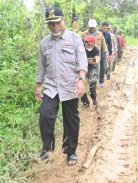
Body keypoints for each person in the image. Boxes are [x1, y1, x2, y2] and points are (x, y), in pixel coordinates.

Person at [35, 7, 88, 166]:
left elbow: (82, 61)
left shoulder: (74, 38)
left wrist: (81, 80)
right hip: (51, 86)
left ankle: (70, 151)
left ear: (63, 21)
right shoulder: (45, 43)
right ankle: (47, 150)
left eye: (57, 22)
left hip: (70, 85)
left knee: (71, 119)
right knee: (45, 115)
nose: (55, 26)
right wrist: (38, 86)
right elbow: (41, 67)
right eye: (51, 24)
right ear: (48, 25)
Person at [81, 19, 108, 84]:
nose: (92, 28)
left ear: (96, 26)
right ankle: (86, 84)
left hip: (96, 55)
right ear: (88, 26)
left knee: (95, 70)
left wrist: (106, 54)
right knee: (85, 71)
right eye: (91, 27)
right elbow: (80, 45)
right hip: (85, 56)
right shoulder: (83, 34)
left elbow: (103, 46)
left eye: (93, 27)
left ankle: (93, 85)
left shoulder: (100, 34)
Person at [81, 35, 100, 108]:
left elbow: (97, 58)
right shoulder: (81, 48)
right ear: (86, 43)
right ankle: (85, 102)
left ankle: (94, 99)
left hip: (93, 67)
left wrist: (96, 61)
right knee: (82, 84)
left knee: (93, 83)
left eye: (92, 45)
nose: (90, 46)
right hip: (82, 68)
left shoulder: (96, 49)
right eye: (89, 45)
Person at [99, 21, 112, 86]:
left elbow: (110, 44)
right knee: (94, 67)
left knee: (103, 66)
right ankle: (92, 80)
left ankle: (101, 81)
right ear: (101, 27)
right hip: (96, 51)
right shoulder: (97, 33)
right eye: (104, 28)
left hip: (103, 51)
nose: (105, 29)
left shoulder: (108, 35)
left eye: (106, 28)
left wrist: (110, 54)